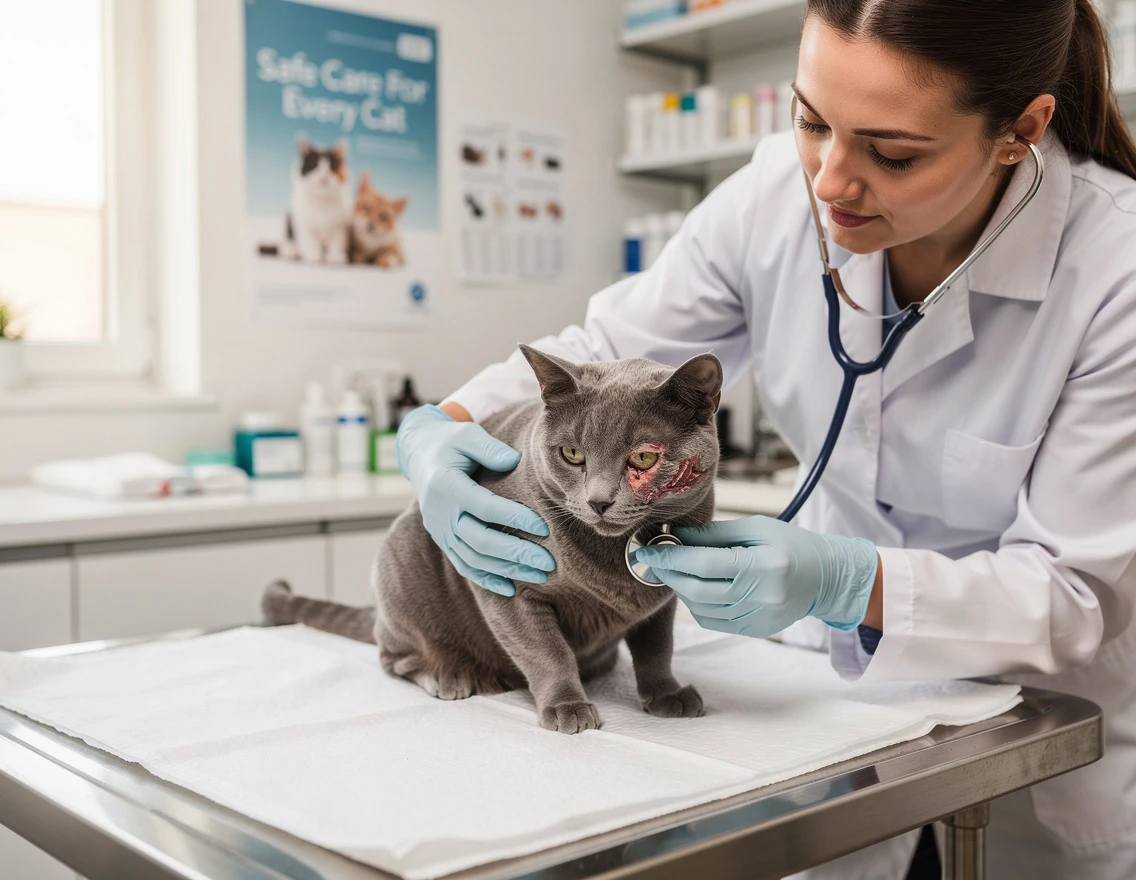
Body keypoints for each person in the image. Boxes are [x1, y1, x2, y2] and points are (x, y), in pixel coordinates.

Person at [395, 1, 1136, 877]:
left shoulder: (1115, 266)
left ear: (1021, 130)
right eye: (811, 120)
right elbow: (601, 359)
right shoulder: (767, 198)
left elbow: (1073, 592)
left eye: (891, 153)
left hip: (1041, 726)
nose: (827, 181)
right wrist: (439, 431)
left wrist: (844, 579)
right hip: (829, 705)